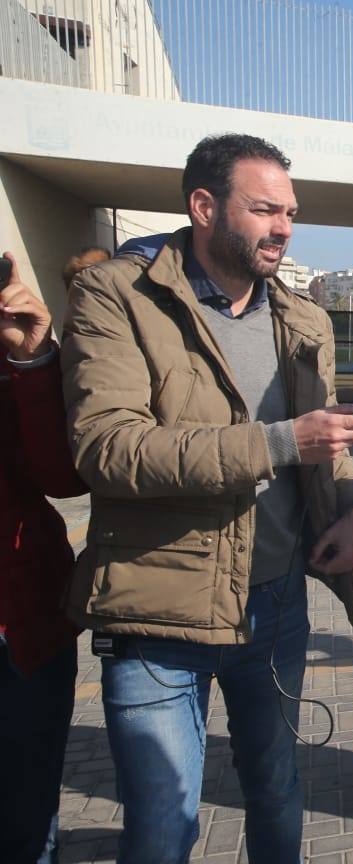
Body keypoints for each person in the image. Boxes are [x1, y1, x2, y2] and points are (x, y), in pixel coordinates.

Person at [60, 133, 353, 861]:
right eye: (266, 209)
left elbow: (316, 450)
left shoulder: (303, 319)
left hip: (274, 607)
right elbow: (107, 447)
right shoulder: (115, 296)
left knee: (275, 790)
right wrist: (278, 443)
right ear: (204, 206)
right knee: (165, 825)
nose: (285, 228)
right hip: (157, 619)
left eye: (291, 212)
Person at [0, 254, 87, 864]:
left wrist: (32, 359)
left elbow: (62, 476)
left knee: (28, 825)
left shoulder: (15, 359)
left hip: (24, 628)